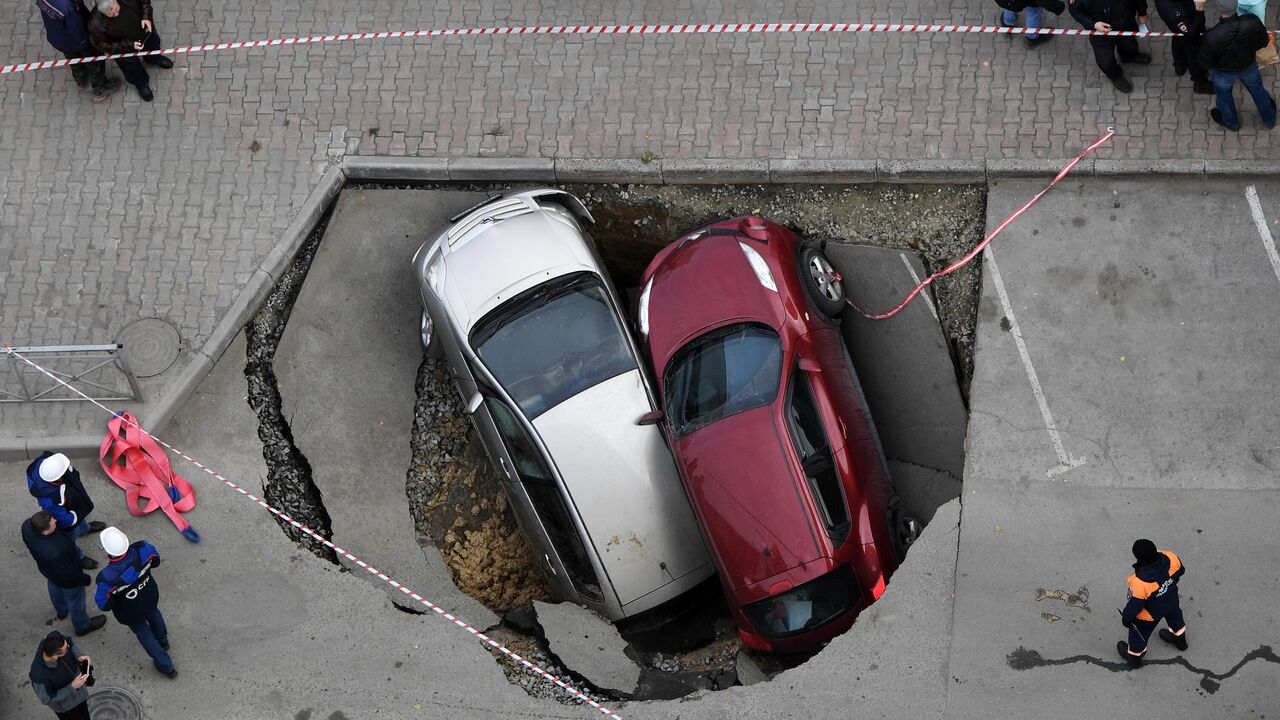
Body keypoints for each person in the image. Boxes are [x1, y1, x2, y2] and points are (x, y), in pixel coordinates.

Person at [95, 527, 177, 678]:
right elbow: (156, 561)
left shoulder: (106, 578)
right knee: (155, 614)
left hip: (130, 612)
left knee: (144, 634)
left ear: (107, 551)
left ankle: (167, 667)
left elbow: (104, 604)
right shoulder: (143, 549)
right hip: (150, 596)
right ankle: (163, 641)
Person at [22, 511, 108, 637]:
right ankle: (82, 626)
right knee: (76, 601)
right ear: (45, 532)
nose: (56, 521)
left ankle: (61, 611)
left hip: (48, 571)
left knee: (54, 587)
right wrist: (85, 579)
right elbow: (69, 575)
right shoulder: (56, 549)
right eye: (53, 523)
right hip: (66, 579)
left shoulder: (27, 527)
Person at [1198, 0, 1276, 130]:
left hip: (1223, 74)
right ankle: (1269, 119)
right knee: (1258, 91)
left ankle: (1231, 123)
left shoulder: (1211, 36)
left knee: (1224, 98)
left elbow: (1204, 62)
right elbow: (1263, 42)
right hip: (1248, 66)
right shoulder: (1252, 21)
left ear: (1219, 9)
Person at [26, 451, 105, 568]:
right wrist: (81, 510)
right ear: (57, 478)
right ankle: (79, 557)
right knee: (69, 540)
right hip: (65, 516)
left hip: (69, 505)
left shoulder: (45, 464)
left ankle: (85, 529)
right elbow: (66, 520)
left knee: (80, 518)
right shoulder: (49, 501)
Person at [1118, 539, 1188, 668]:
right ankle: (1180, 642)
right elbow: (1180, 572)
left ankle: (1134, 658)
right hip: (1171, 601)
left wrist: (1126, 619)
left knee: (1138, 634)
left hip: (1149, 615)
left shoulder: (1140, 583)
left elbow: (1135, 606)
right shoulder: (1171, 557)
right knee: (1176, 620)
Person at [35, 0, 121, 101]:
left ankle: (81, 81)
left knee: (74, 59)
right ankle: (100, 89)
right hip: (80, 40)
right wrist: (92, 40)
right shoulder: (68, 8)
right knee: (95, 63)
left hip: (59, 38)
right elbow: (77, 31)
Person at [88, 0, 173, 102]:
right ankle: (141, 84)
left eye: (117, 10)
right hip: (123, 50)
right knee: (132, 68)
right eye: (112, 14)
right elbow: (103, 45)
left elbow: (144, 2)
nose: (116, 14)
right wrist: (129, 44)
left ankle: (154, 58)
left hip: (145, 33)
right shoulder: (95, 23)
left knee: (153, 45)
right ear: (102, 12)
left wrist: (146, 17)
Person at [1069, 0, 1153, 92]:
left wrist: (1142, 13)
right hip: (1099, 31)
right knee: (1105, 61)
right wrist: (1093, 24)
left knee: (1129, 46)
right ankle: (1115, 76)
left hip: (1125, 22)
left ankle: (1129, 57)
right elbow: (1075, 11)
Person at [30, 631, 94, 720]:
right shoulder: (39, 676)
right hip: (68, 708)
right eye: (66, 650)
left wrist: (78, 655)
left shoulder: (54, 638)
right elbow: (47, 699)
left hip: (80, 695)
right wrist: (72, 687)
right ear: (55, 656)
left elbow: (69, 641)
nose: (68, 647)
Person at [1154, 0, 1214, 93]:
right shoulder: (1172, 11)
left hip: (1181, 24)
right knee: (1194, 52)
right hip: (1189, 27)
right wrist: (1199, 9)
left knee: (1178, 39)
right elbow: (1191, 33)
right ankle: (1200, 83)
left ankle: (1180, 65)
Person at [997, 0, 1068, 47]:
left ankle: (1007, 24)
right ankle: (1032, 37)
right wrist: (1059, 7)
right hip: (1031, 2)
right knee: (1033, 15)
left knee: (1010, 7)